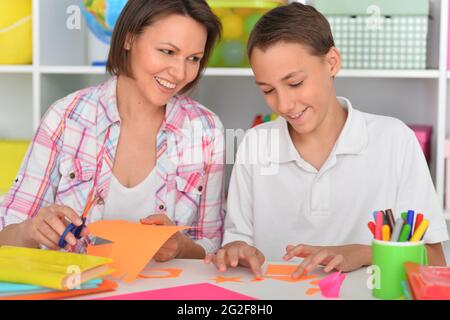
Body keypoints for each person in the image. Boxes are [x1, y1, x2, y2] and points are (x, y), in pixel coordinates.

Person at [205, 2, 448, 279]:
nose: (284, 104)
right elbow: (238, 241)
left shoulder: (395, 140)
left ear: (332, 62)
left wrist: (362, 252)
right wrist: (237, 250)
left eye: (295, 83)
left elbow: (436, 259)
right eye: (268, 90)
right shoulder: (254, 143)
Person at [0, 0, 225, 262]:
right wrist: (31, 230)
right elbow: (6, 237)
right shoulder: (66, 117)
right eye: (167, 51)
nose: (180, 72)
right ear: (129, 39)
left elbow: (212, 245)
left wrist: (181, 247)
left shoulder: (207, 131)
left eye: (193, 59)